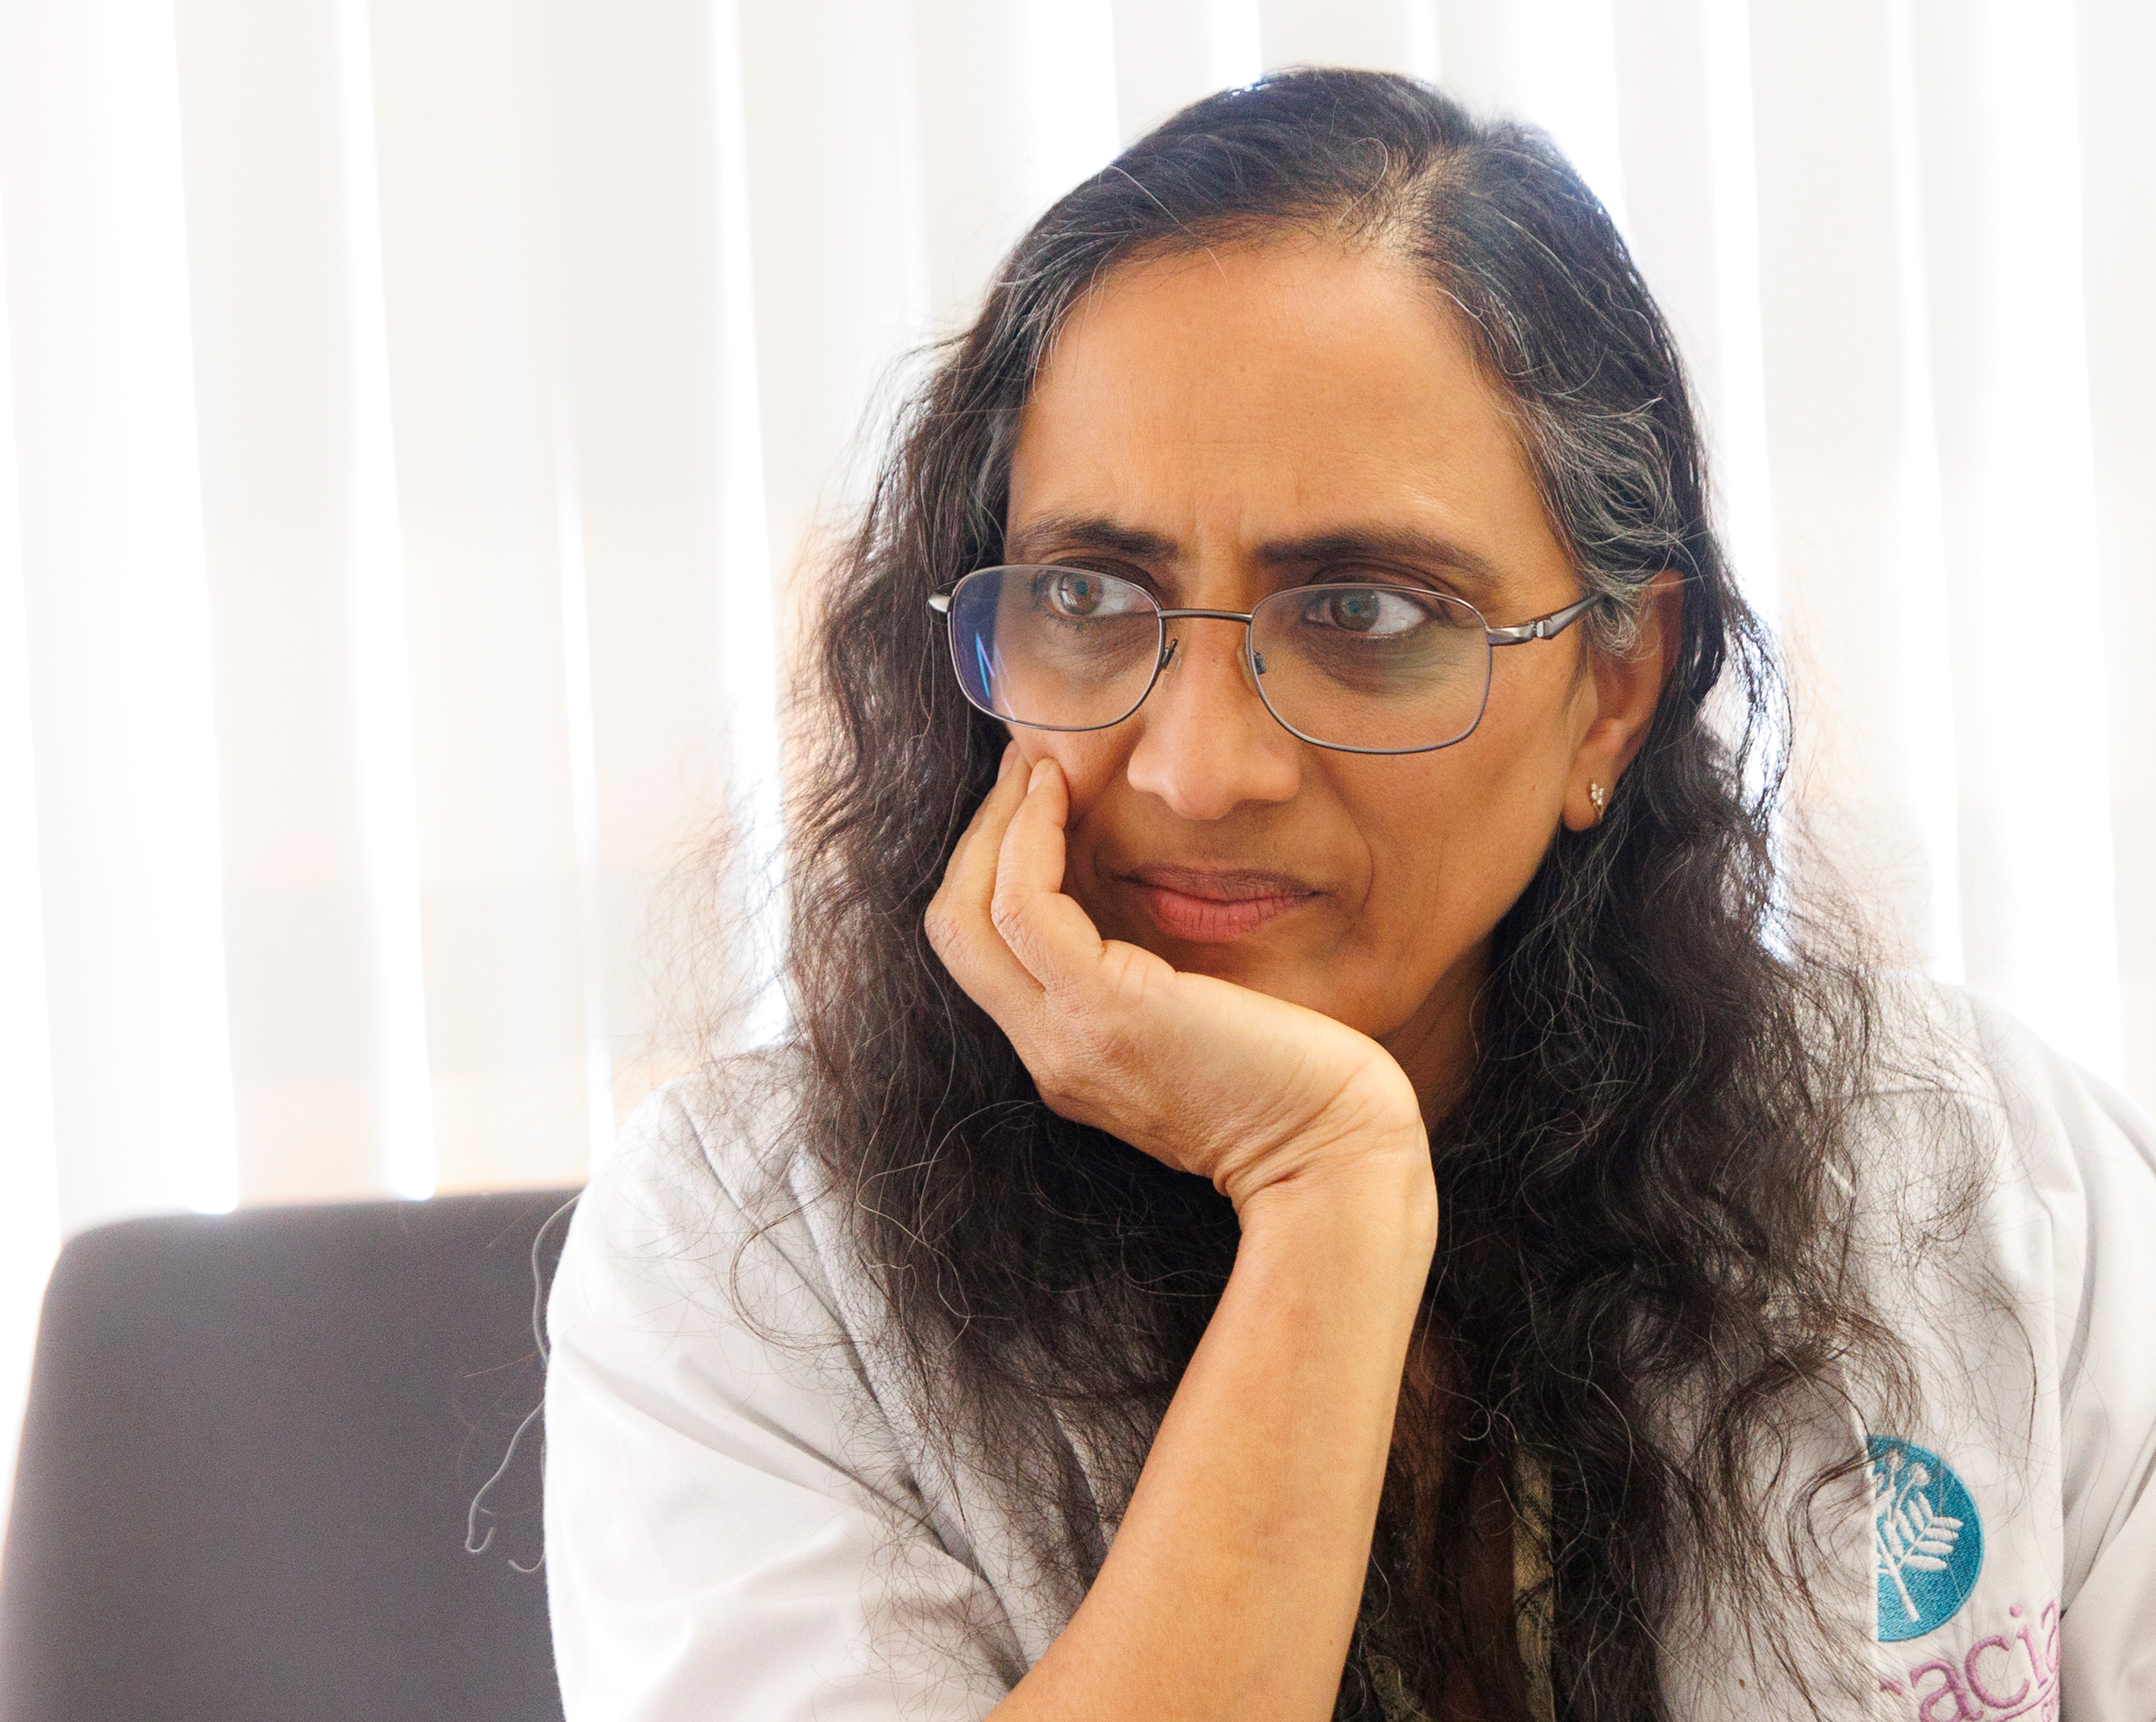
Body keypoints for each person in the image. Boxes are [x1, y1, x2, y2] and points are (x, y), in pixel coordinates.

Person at [539, 69, 2156, 1722]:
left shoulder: (1989, 1181)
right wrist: (1324, 1193)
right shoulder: (756, 1262)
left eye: (1366, 612)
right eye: (1091, 595)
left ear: (1608, 690)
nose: (1196, 764)